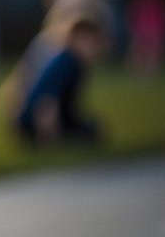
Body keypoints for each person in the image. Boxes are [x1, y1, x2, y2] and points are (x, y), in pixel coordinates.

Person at [14, 16, 109, 147]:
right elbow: (47, 103)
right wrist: (50, 139)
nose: (98, 48)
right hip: (34, 124)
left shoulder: (75, 64)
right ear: (78, 38)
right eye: (94, 42)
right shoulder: (66, 63)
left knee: (91, 128)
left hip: (50, 119)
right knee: (88, 134)